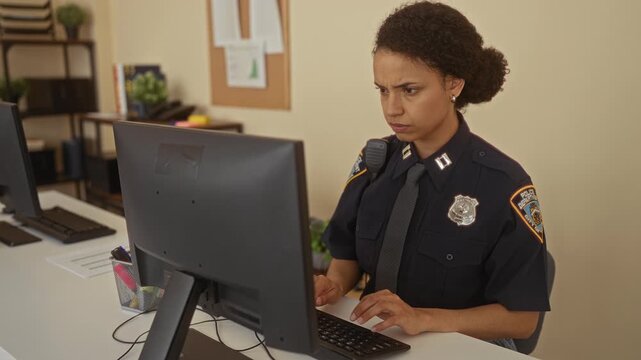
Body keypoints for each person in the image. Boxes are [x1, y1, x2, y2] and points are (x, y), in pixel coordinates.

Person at [314, 1, 550, 350]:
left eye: (409, 90)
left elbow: (523, 319)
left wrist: (424, 318)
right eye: (382, 89)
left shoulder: (504, 184)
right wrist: (333, 284)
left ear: (452, 84)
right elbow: (346, 256)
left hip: (458, 347)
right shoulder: (374, 162)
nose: (392, 108)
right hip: (380, 340)